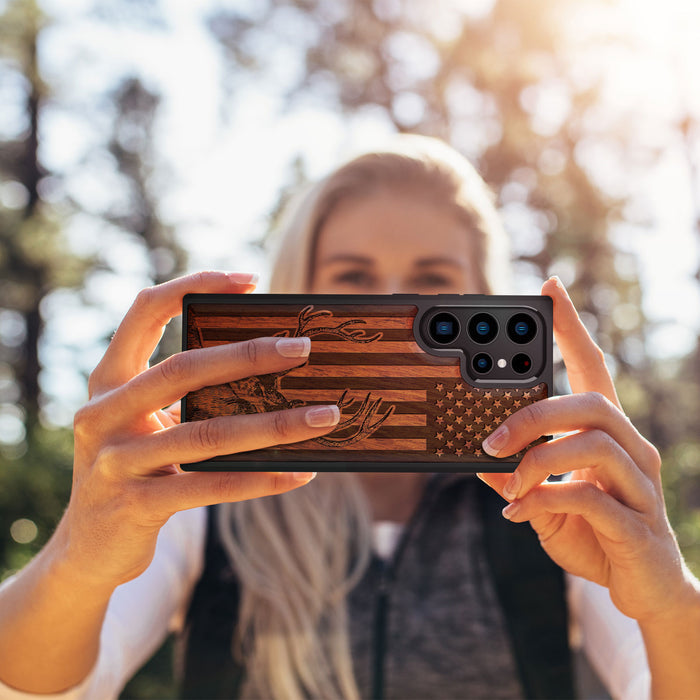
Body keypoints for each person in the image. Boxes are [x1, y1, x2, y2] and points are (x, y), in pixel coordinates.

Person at [0, 135, 699, 700]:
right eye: (354, 279)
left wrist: (669, 603)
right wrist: (78, 559)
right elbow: (40, 686)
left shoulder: (552, 497)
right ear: (296, 296)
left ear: (484, 301)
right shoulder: (204, 493)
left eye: (431, 281)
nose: (392, 307)